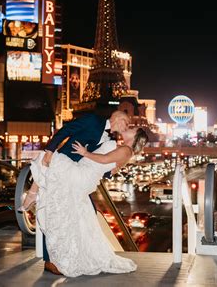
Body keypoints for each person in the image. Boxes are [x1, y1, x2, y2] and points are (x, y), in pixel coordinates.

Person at [19, 110, 130, 274]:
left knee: (77, 214)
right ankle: (49, 261)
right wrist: (50, 150)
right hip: (61, 166)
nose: (127, 127)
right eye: (126, 122)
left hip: (73, 175)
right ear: (117, 119)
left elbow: (93, 161)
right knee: (51, 211)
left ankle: (68, 255)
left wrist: (108, 172)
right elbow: (66, 130)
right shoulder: (93, 120)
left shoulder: (107, 137)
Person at [29, 127, 148, 277]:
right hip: (85, 176)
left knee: (49, 159)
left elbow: (105, 159)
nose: (128, 128)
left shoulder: (125, 149)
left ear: (136, 136)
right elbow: (110, 169)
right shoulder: (124, 150)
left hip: (82, 175)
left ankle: (32, 195)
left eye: (132, 129)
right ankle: (64, 255)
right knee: (74, 218)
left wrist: (85, 153)